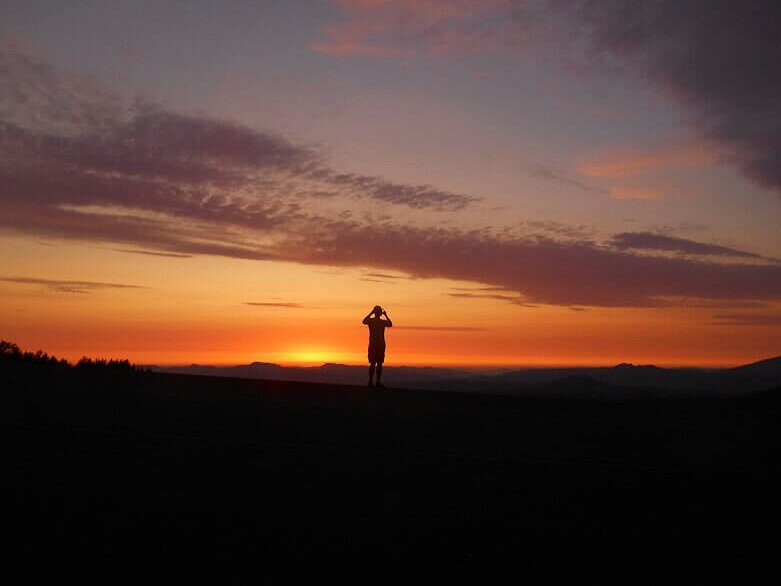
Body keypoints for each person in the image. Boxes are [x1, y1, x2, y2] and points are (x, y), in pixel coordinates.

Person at [362, 305, 392, 387]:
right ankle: (375, 382)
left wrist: (371, 313)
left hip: (375, 344)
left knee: (374, 363)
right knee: (378, 363)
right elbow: (390, 324)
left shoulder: (372, 321)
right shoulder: (381, 322)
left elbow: (364, 321)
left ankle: (372, 382)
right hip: (379, 344)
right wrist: (386, 315)